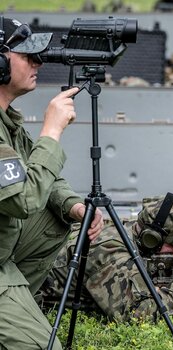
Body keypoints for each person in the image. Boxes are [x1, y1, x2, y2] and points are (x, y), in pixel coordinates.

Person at [0, 17, 104, 349]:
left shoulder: (7, 120)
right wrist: (52, 131)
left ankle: (17, 309)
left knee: (56, 214)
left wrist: (73, 205)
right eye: (27, 56)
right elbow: (24, 200)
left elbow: (41, 176)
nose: (38, 63)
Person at [38, 195, 173, 323]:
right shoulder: (111, 250)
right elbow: (136, 315)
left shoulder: (136, 237)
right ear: (151, 239)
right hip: (34, 298)